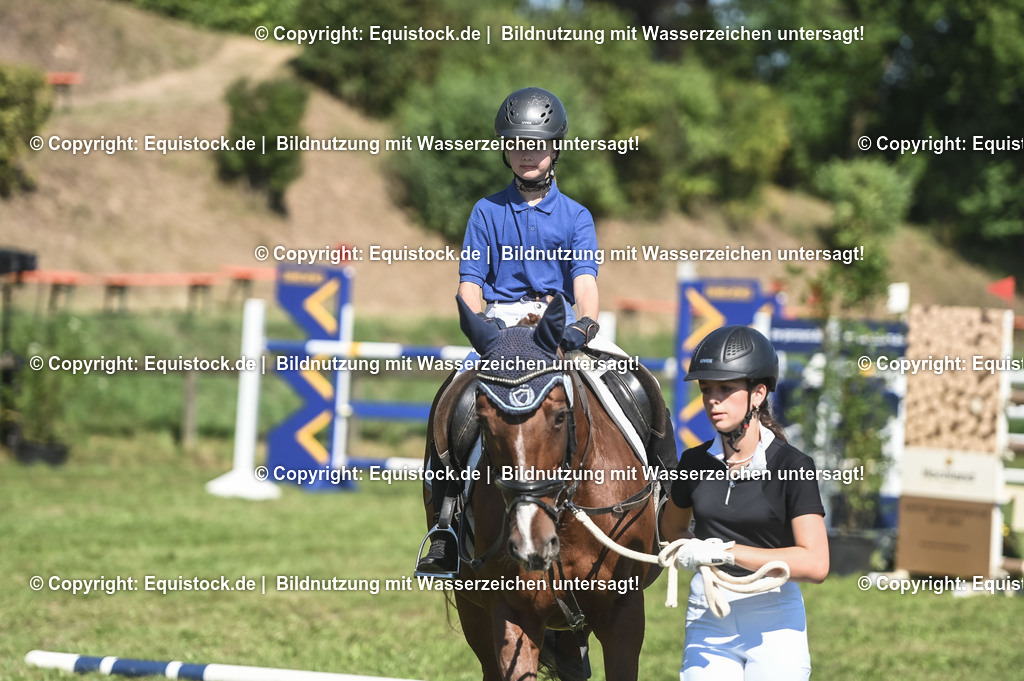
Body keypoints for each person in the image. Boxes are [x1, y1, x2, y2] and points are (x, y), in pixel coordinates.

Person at [415, 87, 675, 578]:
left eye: (535, 144)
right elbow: (470, 285)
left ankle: (664, 506)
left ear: (555, 147)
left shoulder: (576, 215)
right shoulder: (485, 212)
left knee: (641, 384)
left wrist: (584, 325)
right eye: (516, 143)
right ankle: (446, 526)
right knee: (452, 403)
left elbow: (585, 283)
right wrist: (480, 328)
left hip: (559, 325)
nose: (526, 153)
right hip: (501, 328)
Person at [660, 325, 829, 681]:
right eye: (707, 390)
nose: (712, 400)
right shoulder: (692, 463)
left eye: (725, 388)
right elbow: (670, 529)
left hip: (774, 621)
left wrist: (725, 552)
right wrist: (689, 548)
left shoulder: (793, 466)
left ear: (758, 394)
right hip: (708, 612)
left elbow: (816, 563)